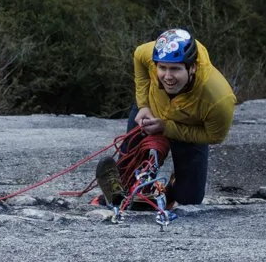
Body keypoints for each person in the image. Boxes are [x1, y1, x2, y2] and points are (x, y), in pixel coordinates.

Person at [97, 27, 236, 208]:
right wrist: (143, 105)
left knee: (189, 199)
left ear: (192, 67)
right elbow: (138, 56)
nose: (168, 76)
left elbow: (215, 136)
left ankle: (168, 189)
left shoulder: (219, 98)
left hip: (188, 125)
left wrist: (166, 128)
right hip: (151, 110)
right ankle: (120, 186)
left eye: (175, 69)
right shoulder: (150, 53)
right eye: (162, 68)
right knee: (127, 177)